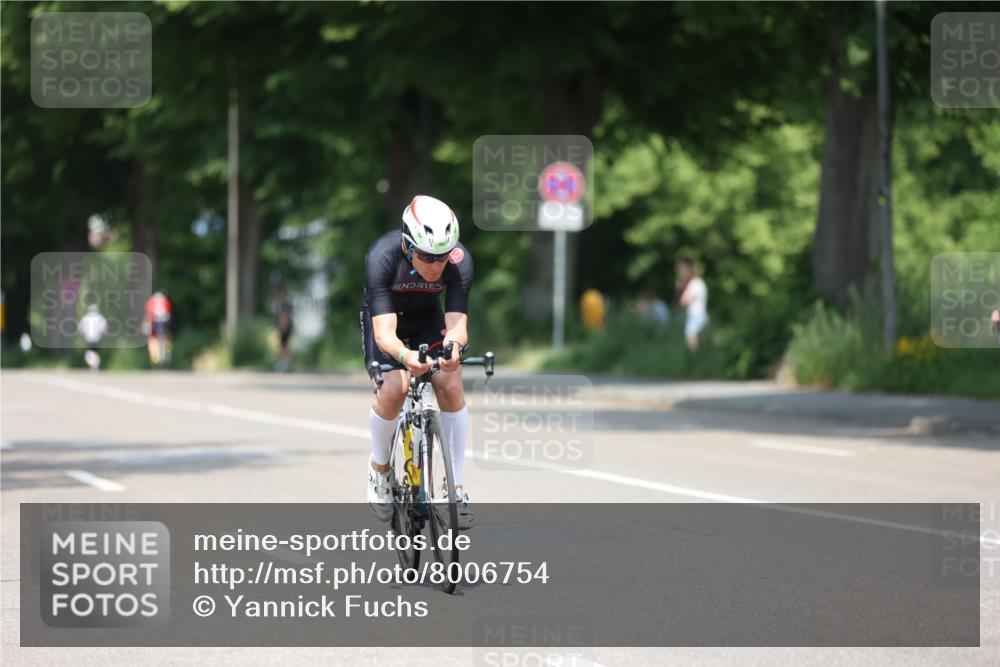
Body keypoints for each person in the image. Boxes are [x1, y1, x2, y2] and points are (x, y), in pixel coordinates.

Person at [360, 195, 475, 529]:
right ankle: (380, 469)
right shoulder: (382, 257)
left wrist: (453, 348)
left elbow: (458, 324)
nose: (435, 266)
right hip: (386, 317)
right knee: (394, 387)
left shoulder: (460, 261)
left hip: (428, 318)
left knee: (450, 381)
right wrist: (404, 356)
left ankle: (452, 489)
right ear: (408, 246)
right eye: (426, 256)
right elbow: (384, 333)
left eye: (441, 257)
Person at [677, 257, 708, 350]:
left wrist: (680, 289)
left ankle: (694, 359)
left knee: (690, 337)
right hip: (699, 315)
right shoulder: (698, 283)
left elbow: (684, 301)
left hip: (696, 315)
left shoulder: (695, 283)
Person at [144, 290, 172, 367]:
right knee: (166, 335)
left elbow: (148, 313)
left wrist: (147, 323)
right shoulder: (164, 300)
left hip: (154, 320)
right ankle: (167, 350)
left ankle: (155, 357)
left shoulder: (151, 301)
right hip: (164, 320)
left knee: (152, 338)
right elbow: (169, 312)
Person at [78, 304, 108, 371]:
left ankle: (93, 365)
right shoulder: (100, 317)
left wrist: (83, 333)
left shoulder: (85, 317)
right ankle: (95, 366)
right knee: (95, 352)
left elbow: (81, 328)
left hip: (89, 338)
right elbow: (104, 328)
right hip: (97, 338)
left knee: (89, 352)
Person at [274, 287, 294, 372]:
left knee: (282, 345)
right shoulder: (288, 303)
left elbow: (284, 316)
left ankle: (283, 364)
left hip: (285, 326)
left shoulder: (283, 304)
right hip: (288, 326)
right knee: (285, 345)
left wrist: (282, 327)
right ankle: (287, 363)